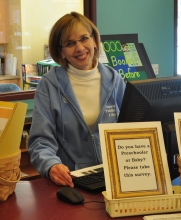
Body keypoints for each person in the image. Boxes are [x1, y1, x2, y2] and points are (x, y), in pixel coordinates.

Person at [28, 12, 126, 187]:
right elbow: (40, 141)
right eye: (70, 43)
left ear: (94, 40)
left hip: (116, 177)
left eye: (84, 38)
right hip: (72, 181)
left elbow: (131, 129)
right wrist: (51, 165)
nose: (79, 48)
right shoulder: (49, 85)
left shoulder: (114, 79)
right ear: (62, 52)